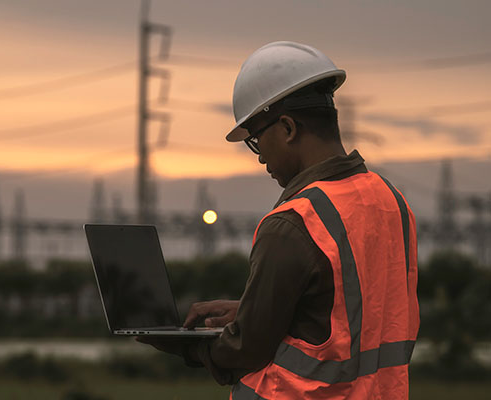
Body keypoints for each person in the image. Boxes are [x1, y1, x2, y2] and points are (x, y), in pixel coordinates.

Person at [139, 41, 420, 399]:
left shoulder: (293, 224)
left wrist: (183, 344)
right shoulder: (391, 202)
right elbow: (358, 313)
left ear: (287, 128)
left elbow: (246, 350)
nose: (259, 159)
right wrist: (253, 309)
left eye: (256, 140)